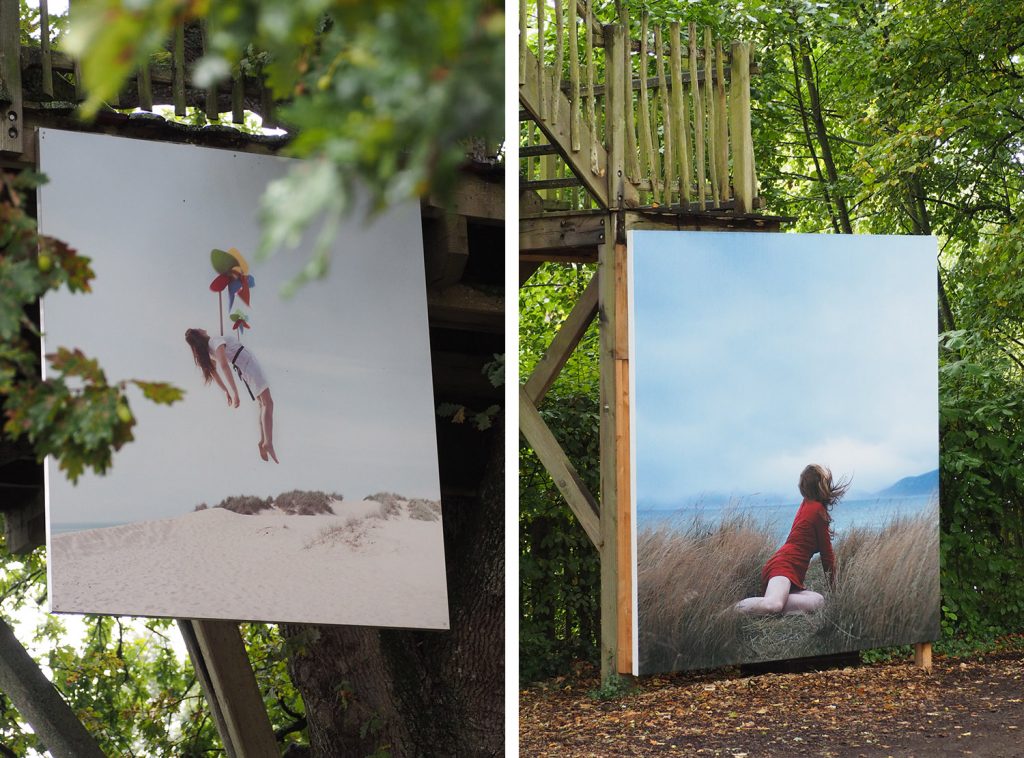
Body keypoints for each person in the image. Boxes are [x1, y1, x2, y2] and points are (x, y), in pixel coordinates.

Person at [734, 464, 849, 615]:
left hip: (790, 573)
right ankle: (728, 612)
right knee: (773, 606)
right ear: (821, 486)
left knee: (819, 601)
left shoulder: (807, 504)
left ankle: (773, 601)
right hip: (783, 567)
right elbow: (827, 556)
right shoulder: (817, 511)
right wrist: (835, 590)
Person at [184, 328, 278, 464]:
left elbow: (213, 372)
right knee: (268, 403)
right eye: (199, 329)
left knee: (263, 404)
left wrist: (225, 391)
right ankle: (268, 442)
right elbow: (223, 366)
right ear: (199, 334)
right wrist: (234, 392)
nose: (202, 328)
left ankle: (264, 440)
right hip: (248, 365)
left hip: (244, 367)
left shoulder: (210, 350)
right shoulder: (215, 341)